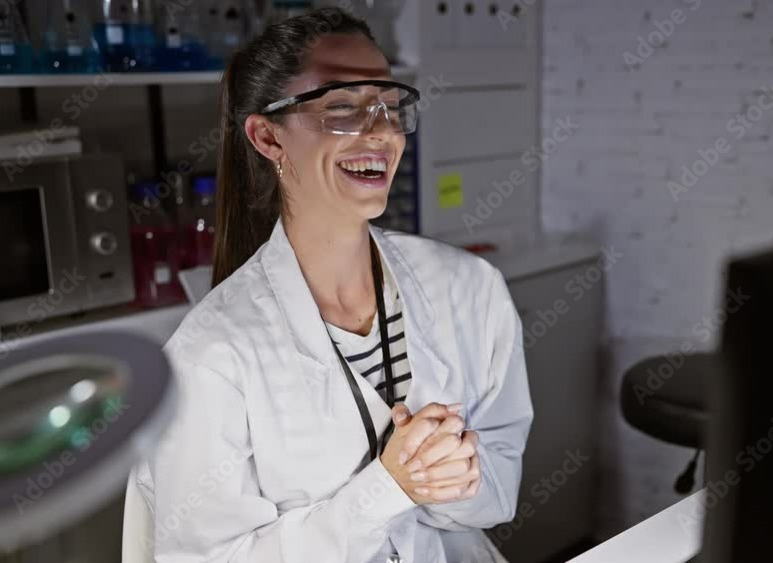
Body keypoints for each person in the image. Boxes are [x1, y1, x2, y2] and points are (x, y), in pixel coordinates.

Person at [131, 8, 533, 563]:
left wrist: (458, 480)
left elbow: (500, 490)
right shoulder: (210, 355)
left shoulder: (471, 290)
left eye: (389, 107)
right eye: (342, 106)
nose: (381, 131)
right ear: (268, 137)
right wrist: (387, 490)